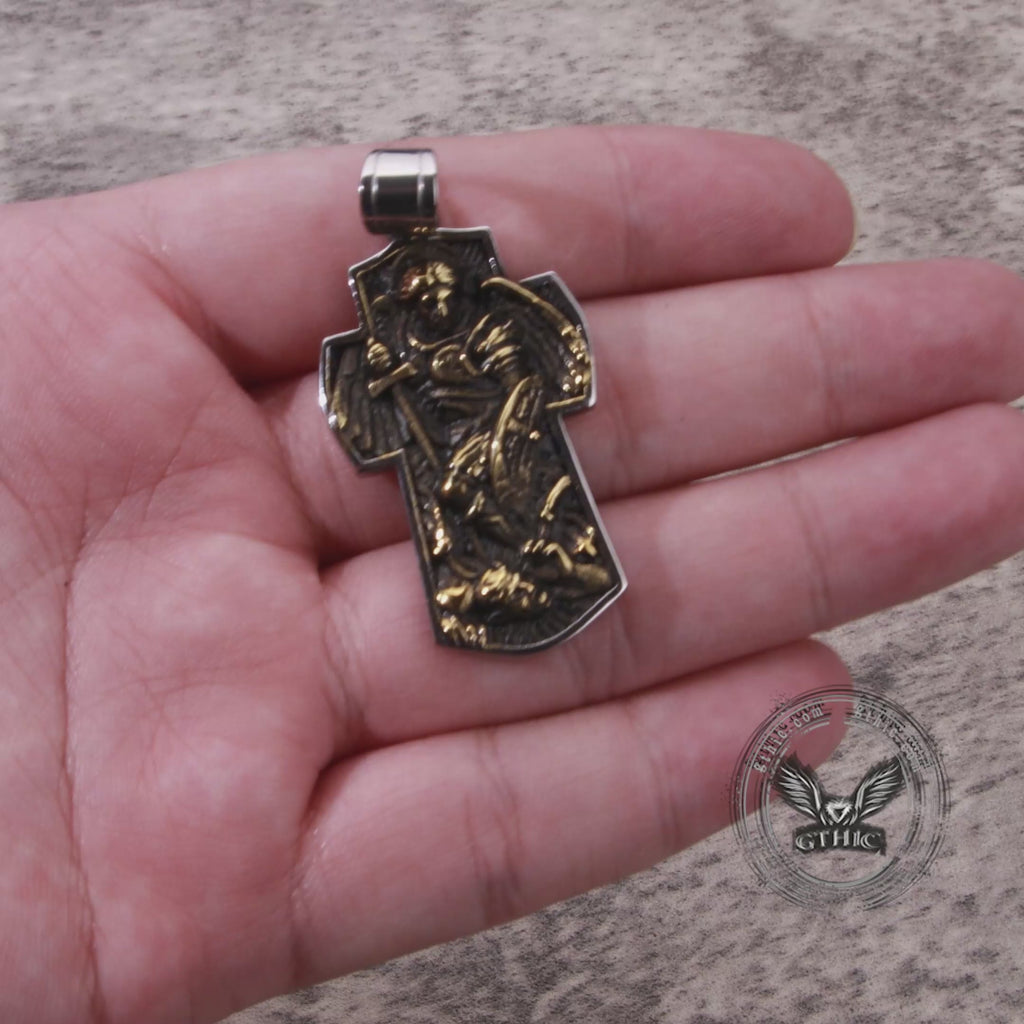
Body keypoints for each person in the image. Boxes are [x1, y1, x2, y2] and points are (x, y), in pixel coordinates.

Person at [0, 125, 1021, 1024]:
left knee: (506, 499)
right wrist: (393, 382)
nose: (434, 298)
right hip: (450, 467)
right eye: (423, 295)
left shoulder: (499, 317)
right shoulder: (391, 345)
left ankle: (547, 557)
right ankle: (515, 562)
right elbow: (366, 422)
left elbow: (541, 374)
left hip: (514, 447)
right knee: (471, 511)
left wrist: (484, 419)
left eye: (442, 289)